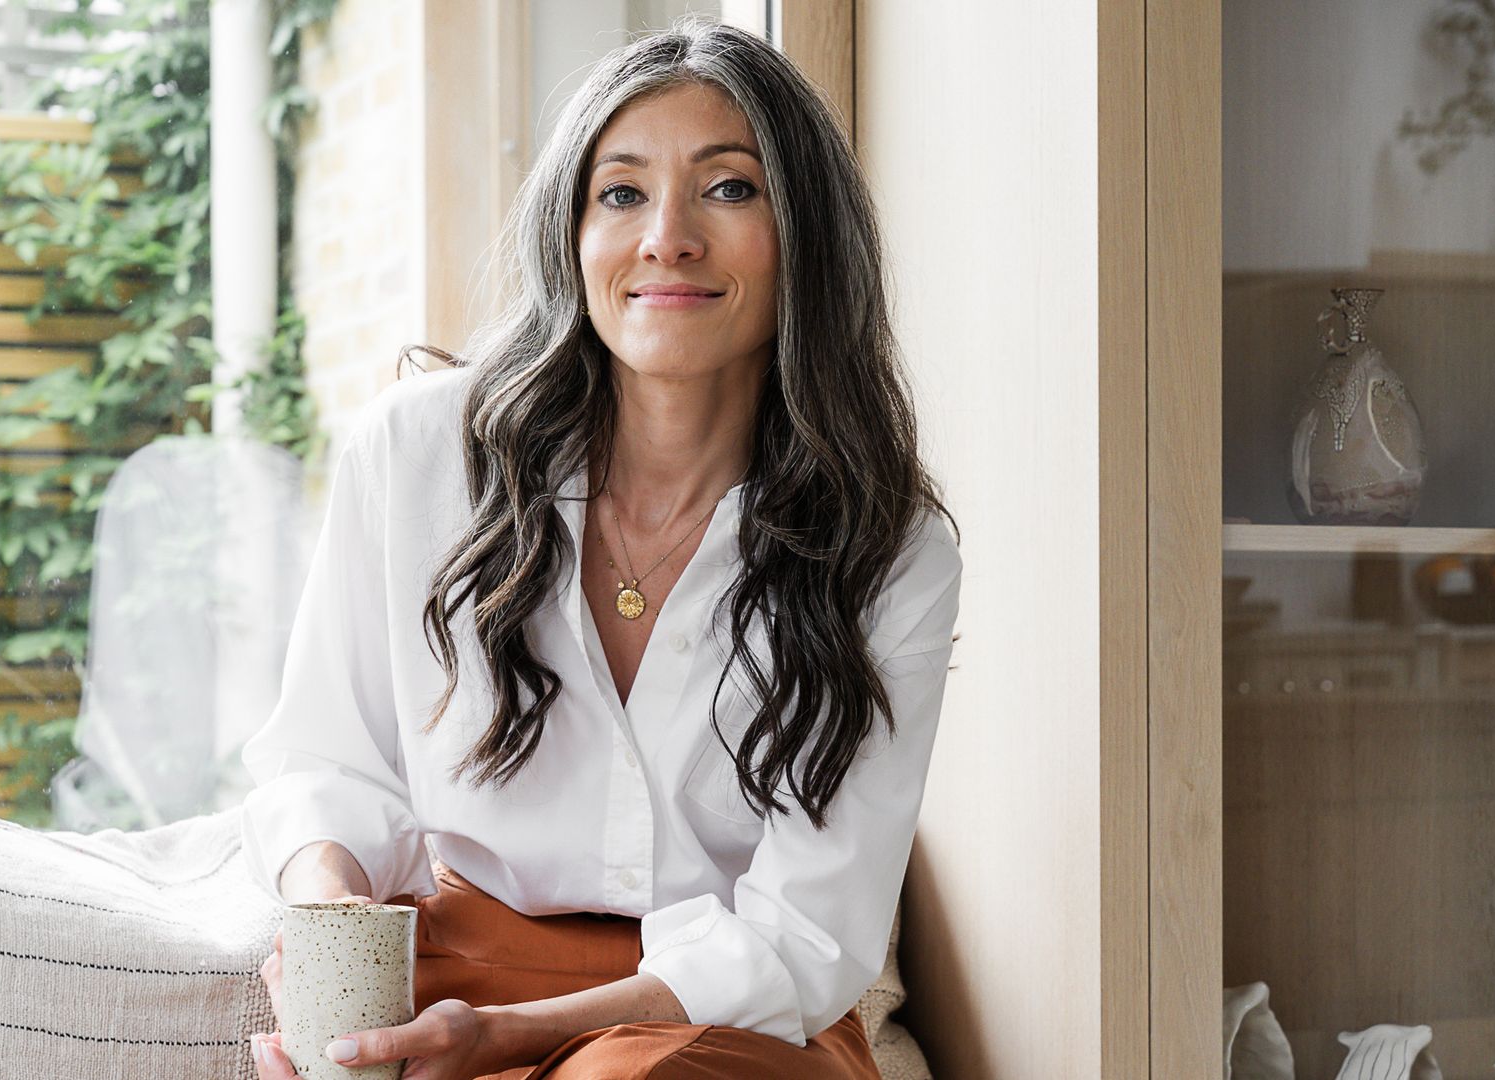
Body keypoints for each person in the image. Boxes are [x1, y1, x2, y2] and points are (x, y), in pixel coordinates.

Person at [237, 14, 962, 1080]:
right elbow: (325, 762)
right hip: (457, 974)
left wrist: (515, 1041)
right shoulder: (421, 453)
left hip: (731, 1017)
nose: (666, 236)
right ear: (570, 233)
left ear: (806, 236)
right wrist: (329, 914)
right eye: (621, 192)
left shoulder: (891, 547)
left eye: (729, 188)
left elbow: (807, 936)